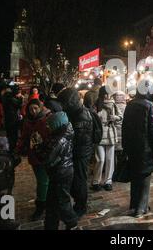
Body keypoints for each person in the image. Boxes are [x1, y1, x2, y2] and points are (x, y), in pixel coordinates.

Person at [122, 80, 153, 218]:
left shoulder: (130, 104)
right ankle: (141, 208)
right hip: (146, 149)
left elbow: (124, 128)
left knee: (134, 177)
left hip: (132, 148)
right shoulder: (149, 105)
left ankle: (134, 204)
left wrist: (125, 147)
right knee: (145, 179)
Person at [57, 88, 95, 217]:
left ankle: (81, 206)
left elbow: (78, 139)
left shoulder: (82, 116)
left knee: (80, 180)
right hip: (78, 152)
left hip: (81, 153)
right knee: (77, 180)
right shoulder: (75, 112)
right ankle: (79, 203)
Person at [42, 112, 79, 230]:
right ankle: (51, 225)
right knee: (53, 201)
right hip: (64, 171)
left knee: (61, 201)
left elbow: (46, 158)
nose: (47, 126)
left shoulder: (59, 139)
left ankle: (72, 222)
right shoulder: (64, 134)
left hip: (61, 172)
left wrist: (37, 147)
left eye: (50, 124)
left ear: (56, 124)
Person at [16, 99, 51, 221]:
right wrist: (19, 149)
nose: (33, 111)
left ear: (40, 107)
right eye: (31, 109)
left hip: (47, 153)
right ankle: (43, 204)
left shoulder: (47, 119)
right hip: (35, 155)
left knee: (44, 181)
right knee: (43, 180)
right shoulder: (27, 121)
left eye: (36, 108)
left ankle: (42, 204)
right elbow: (24, 136)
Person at [92, 87, 122, 191]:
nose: (107, 96)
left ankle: (108, 181)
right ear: (102, 94)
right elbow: (93, 119)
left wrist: (115, 118)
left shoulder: (113, 104)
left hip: (110, 133)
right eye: (105, 94)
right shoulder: (96, 104)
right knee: (100, 159)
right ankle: (96, 181)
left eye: (108, 94)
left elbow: (120, 116)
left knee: (110, 159)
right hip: (100, 134)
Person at [2, 86, 23, 152]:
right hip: (12, 118)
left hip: (8, 118)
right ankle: (12, 148)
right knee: (13, 134)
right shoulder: (11, 98)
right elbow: (18, 104)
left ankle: (10, 147)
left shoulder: (5, 97)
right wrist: (20, 98)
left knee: (9, 134)